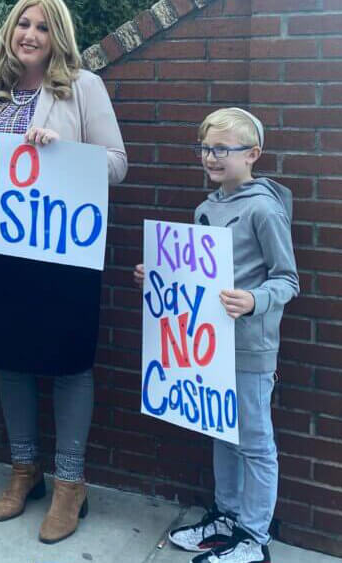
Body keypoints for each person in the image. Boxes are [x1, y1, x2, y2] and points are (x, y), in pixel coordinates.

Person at [0, 0, 127, 544]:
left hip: (63, 255)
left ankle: (70, 482)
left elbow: (117, 165)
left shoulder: (82, 87)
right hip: (1, 251)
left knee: (69, 364)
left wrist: (62, 147)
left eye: (41, 26)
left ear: (56, 35)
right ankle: (24, 470)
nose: (29, 34)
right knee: (10, 359)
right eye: (22, 24)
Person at [134, 108, 298, 563]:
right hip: (211, 346)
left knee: (256, 441)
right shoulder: (207, 207)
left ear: (253, 154)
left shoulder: (264, 209)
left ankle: (254, 534)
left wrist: (253, 301)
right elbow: (198, 274)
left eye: (223, 149)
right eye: (206, 147)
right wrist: (161, 276)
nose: (212, 156)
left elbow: (288, 279)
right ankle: (226, 516)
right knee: (222, 432)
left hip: (250, 346)